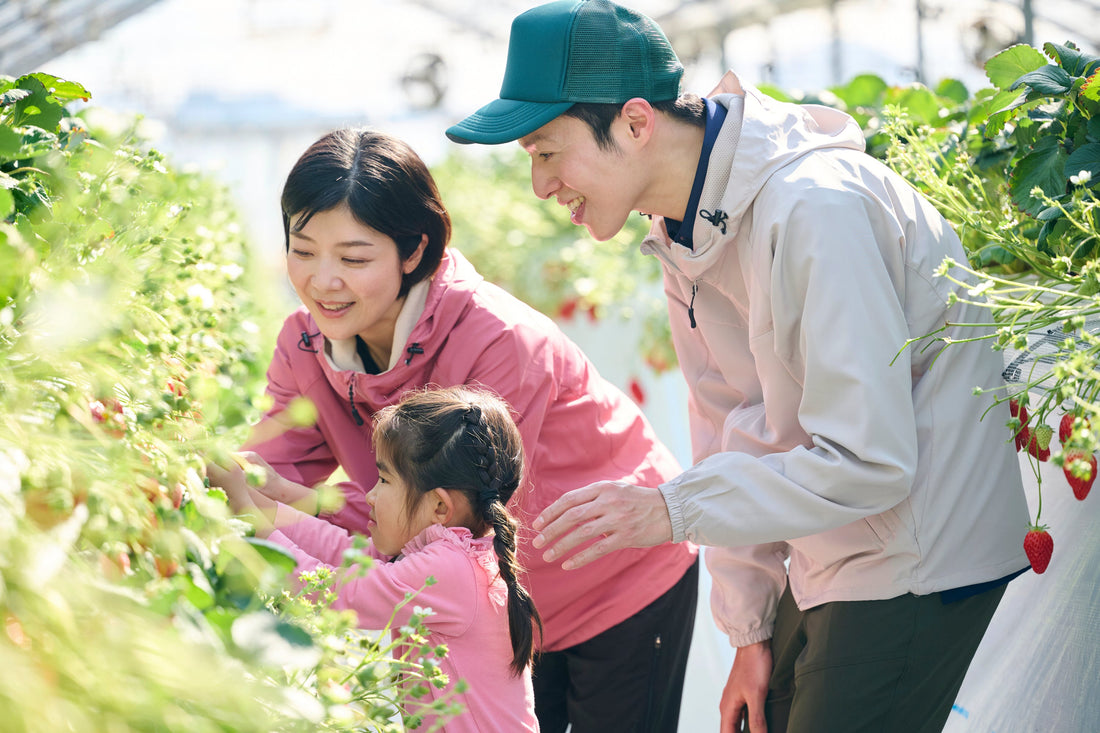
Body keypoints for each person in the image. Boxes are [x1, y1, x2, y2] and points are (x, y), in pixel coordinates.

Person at [445, 2, 1032, 732]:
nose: (539, 184)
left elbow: (869, 459)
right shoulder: (684, 231)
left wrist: (670, 509)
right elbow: (733, 424)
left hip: (916, 556)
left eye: (545, 151)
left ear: (634, 122)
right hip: (838, 551)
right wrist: (750, 626)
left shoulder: (816, 208)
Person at [211, 127, 699, 733]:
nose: (322, 280)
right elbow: (265, 473)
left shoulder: (496, 341)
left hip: (614, 578)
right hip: (490, 611)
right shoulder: (306, 345)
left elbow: (454, 517)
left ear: (413, 251)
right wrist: (211, 480)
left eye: (354, 258)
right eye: (303, 250)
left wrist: (293, 507)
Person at [215, 386, 540, 731]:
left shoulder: (450, 569)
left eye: (384, 479)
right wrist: (259, 504)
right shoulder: (443, 551)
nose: (370, 495)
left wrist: (247, 512)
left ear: (440, 506)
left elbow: (338, 594)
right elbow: (346, 554)